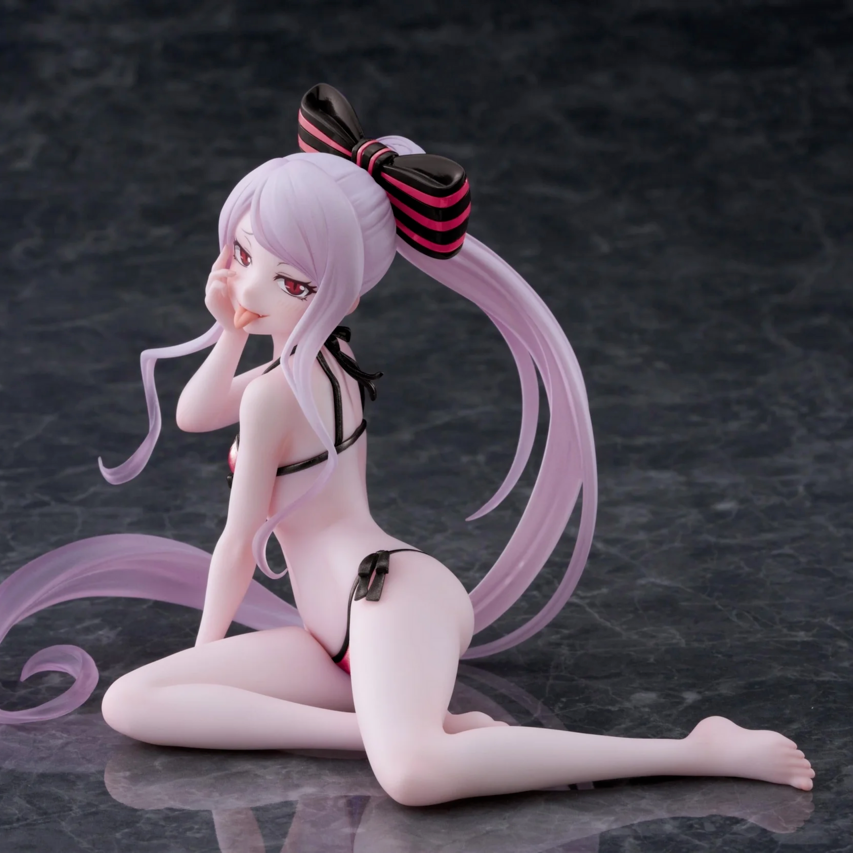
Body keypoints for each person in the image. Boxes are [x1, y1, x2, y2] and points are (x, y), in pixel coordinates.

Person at [1, 85, 814, 805]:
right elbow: (195, 412)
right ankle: (385, 727)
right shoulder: (319, 359)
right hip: (333, 638)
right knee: (133, 703)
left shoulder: (285, 387)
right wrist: (230, 328)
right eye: (244, 254)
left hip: (388, 597)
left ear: (338, 290)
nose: (248, 283)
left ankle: (695, 750)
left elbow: (239, 542)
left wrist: (208, 658)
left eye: (289, 280)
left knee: (415, 775)